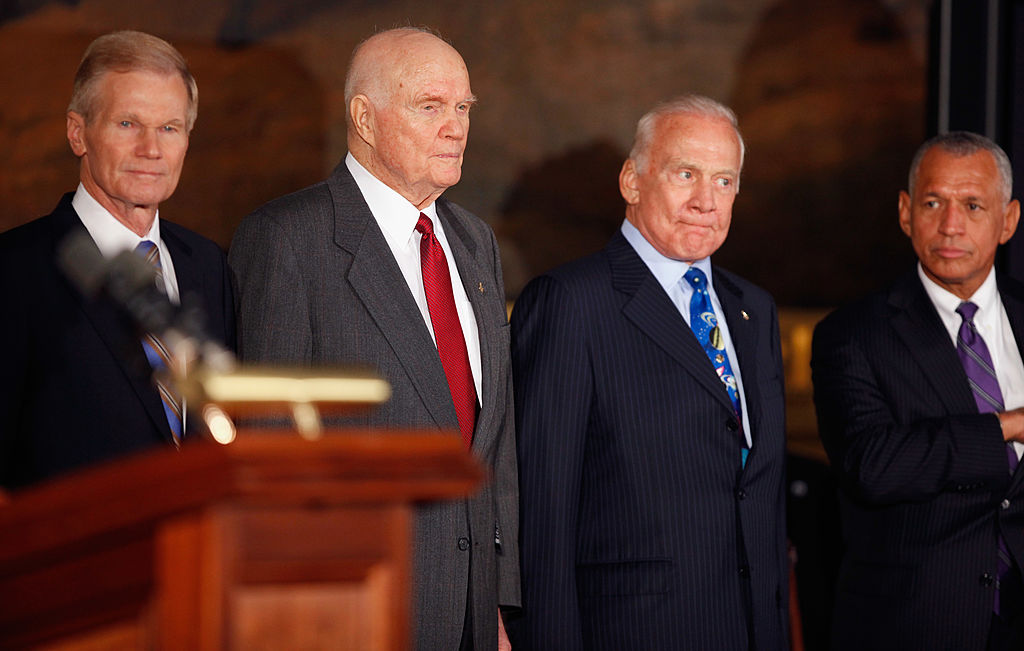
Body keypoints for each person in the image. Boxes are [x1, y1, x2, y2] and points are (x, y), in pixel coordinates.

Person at [229, 27, 519, 651]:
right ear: (363, 116)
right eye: (431, 106)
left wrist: (497, 600)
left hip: (471, 612)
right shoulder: (289, 239)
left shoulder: (474, 244)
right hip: (353, 606)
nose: (456, 127)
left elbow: (495, 440)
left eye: (464, 107)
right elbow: (272, 452)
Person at [509, 95, 789, 650]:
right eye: (686, 173)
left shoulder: (754, 309)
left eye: (725, 181)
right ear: (631, 181)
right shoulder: (571, 302)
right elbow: (540, 513)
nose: (706, 200)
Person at [812, 131, 1024, 650]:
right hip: (914, 625)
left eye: (973, 205)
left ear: (1009, 220)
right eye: (933, 203)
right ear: (906, 213)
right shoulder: (853, 334)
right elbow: (872, 466)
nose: (951, 225)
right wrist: (1011, 424)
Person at [0, 31, 235, 489]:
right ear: (77, 133)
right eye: (128, 124)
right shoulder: (14, 270)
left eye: (169, 127)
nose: (151, 149)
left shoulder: (208, 265)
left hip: (195, 551)